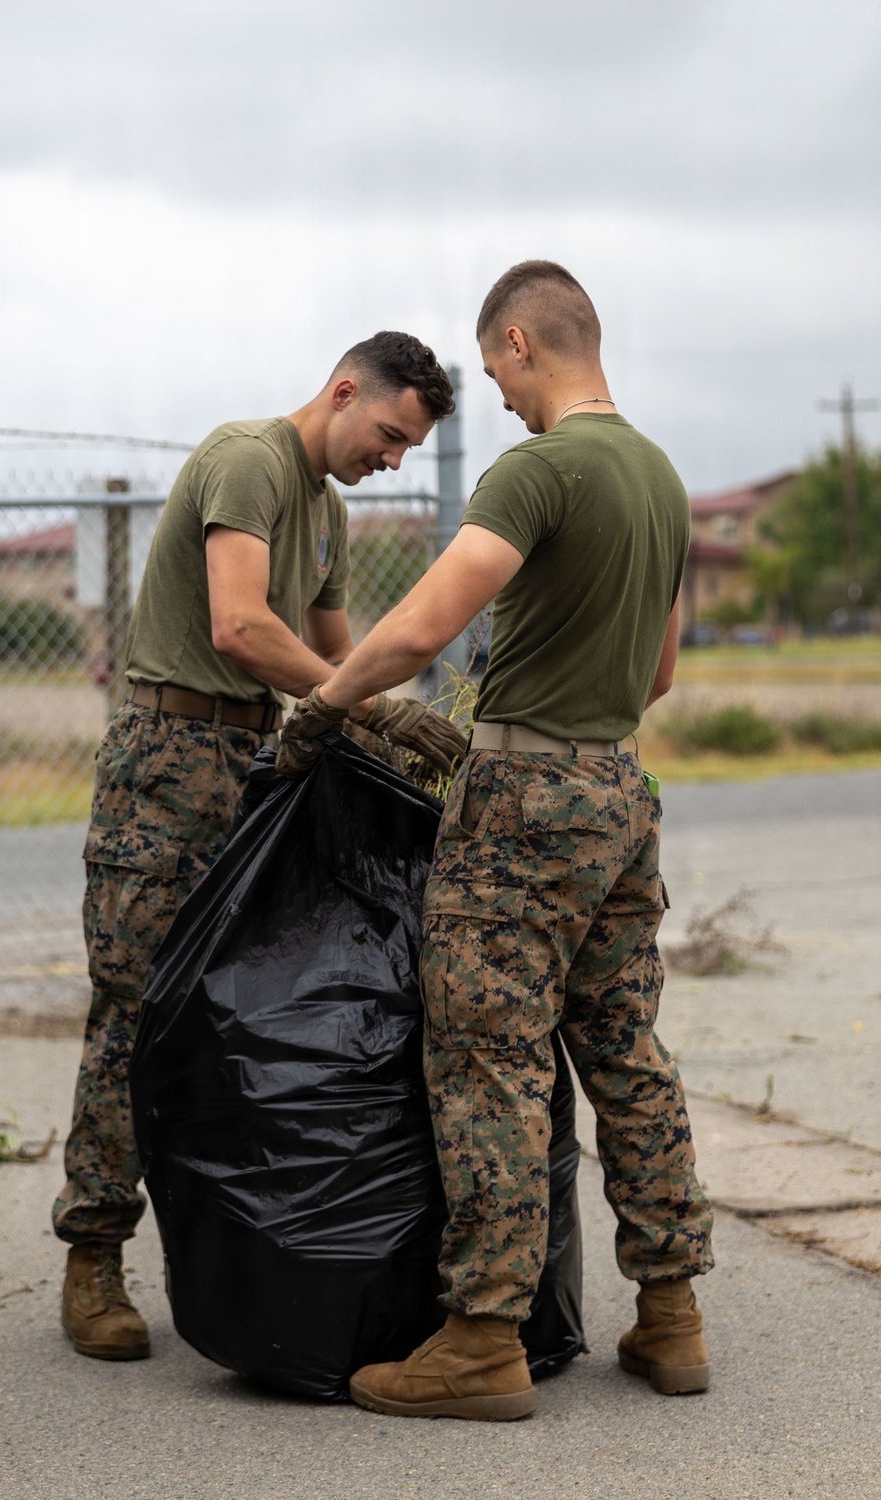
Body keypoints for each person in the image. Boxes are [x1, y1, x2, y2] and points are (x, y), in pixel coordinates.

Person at [278, 261, 715, 1420]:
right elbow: (659, 673)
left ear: (520, 342)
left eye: (493, 372)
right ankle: (670, 1313)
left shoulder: (540, 470)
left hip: (522, 796)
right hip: (619, 790)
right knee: (622, 1047)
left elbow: (423, 625)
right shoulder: (662, 479)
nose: (503, 399)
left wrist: (324, 707)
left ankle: (480, 1340)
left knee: (488, 1055)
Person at [53, 331, 466, 1360]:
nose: (392, 460)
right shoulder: (248, 459)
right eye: (388, 434)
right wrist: (366, 709)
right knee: (136, 1010)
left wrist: (391, 713)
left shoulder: (327, 510)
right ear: (343, 392)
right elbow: (240, 628)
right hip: (169, 761)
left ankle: (229, 1258)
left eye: (409, 449)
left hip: (255, 767)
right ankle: (93, 1255)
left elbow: (335, 649)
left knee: (239, 1017)